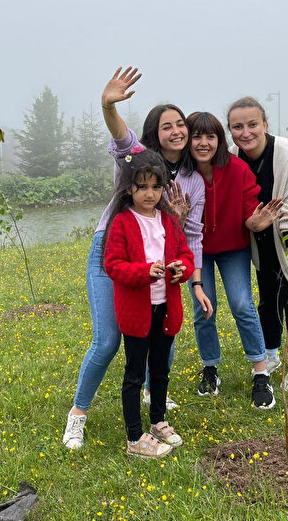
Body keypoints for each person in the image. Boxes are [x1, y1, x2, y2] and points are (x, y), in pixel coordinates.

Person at [62, 67, 211, 450]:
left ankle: (153, 401)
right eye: (166, 126)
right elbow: (120, 135)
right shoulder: (138, 157)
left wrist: (193, 279)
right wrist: (108, 106)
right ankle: (78, 415)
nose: (176, 131)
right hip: (114, 250)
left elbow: (190, 237)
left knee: (164, 334)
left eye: (180, 124)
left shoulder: (192, 179)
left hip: (159, 265)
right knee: (108, 340)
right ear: (154, 133)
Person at [186, 111, 283, 409]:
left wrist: (256, 222)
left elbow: (249, 214)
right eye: (196, 136)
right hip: (197, 249)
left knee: (242, 304)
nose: (203, 143)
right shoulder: (184, 175)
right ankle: (210, 368)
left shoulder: (238, 169)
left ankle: (260, 372)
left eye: (210, 136)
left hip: (233, 248)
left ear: (220, 139)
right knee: (204, 308)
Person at [227, 97, 288, 392]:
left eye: (252, 124)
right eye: (237, 127)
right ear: (230, 130)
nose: (246, 133)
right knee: (268, 299)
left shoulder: (286, 153)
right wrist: (252, 224)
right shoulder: (232, 156)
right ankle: (271, 355)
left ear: (265, 124)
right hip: (262, 238)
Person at [103, 148, 194, 457]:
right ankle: (134, 437)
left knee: (160, 370)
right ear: (130, 188)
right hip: (136, 314)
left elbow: (186, 256)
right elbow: (113, 265)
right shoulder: (122, 222)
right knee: (134, 375)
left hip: (166, 309)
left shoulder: (168, 221)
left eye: (156, 187)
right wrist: (144, 271)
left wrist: (182, 269)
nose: (150, 193)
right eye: (142, 187)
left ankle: (157, 421)